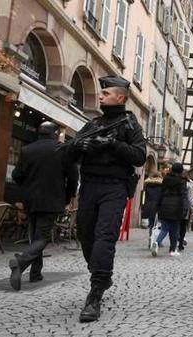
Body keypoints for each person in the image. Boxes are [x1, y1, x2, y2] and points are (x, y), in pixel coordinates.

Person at [67, 75, 147, 323]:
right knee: (85, 234)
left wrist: (112, 146)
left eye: (105, 94)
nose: (100, 96)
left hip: (114, 187)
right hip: (90, 186)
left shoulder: (130, 124)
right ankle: (101, 273)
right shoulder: (94, 123)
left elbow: (139, 155)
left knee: (104, 237)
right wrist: (83, 147)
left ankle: (95, 293)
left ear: (120, 98)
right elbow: (70, 150)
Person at [8, 121, 78, 291]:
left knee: (35, 235)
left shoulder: (27, 150)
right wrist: (68, 196)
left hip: (31, 200)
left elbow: (16, 175)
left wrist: (28, 186)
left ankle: (35, 273)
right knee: (42, 237)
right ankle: (21, 261)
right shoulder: (62, 150)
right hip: (52, 200)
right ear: (54, 133)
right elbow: (73, 177)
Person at [156, 163, 187, 256]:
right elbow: (183, 196)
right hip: (176, 207)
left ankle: (156, 243)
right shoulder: (182, 181)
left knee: (164, 229)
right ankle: (172, 250)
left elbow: (161, 193)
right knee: (175, 229)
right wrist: (184, 210)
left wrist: (159, 206)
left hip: (165, 205)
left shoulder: (166, 179)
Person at [141, 171, 163, 248]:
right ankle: (157, 241)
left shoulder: (147, 184)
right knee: (159, 225)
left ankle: (150, 240)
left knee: (151, 225)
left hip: (149, 206)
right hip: (159, 207)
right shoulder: (162, 185)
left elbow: (144, 196)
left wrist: (143, 206)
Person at [178, 173, 193, 251]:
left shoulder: (176, 183)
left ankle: (175, 242)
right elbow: (190, 198)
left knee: (176, 226)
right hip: (185, 208)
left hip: (176, 207)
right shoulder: (189, 185)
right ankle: (180, 244)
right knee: (183, 227)